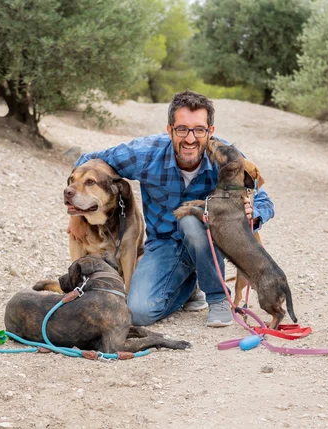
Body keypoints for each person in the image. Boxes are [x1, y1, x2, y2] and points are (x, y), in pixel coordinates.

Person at [74, 90, 274, 327]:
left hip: (210, 242)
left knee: (191, 219)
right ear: (170, 130)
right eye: (182, 129)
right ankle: (189, 284)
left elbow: (265, 202)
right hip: (163, 244)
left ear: (211, 131)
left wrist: (254, 213)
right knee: (138, 313)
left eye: (199, 129)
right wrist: (76, 214)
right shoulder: (145, 153)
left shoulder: (228, 157)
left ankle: (218, 297)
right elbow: (88, 160)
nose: (190, 138)